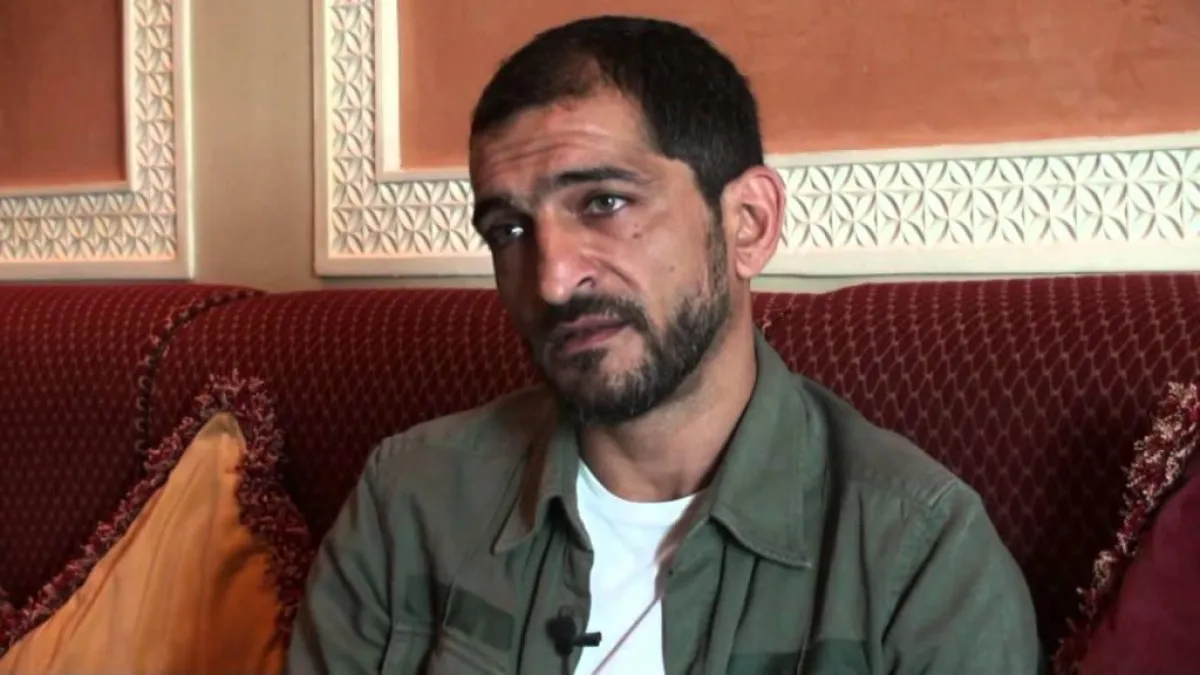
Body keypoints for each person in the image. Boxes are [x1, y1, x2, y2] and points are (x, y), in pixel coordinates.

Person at [286, 15, 1039, 675]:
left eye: (605, 202)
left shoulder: (919, 556)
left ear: (748, 224)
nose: (552, 280)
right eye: (509, 229)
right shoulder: (408, 501)